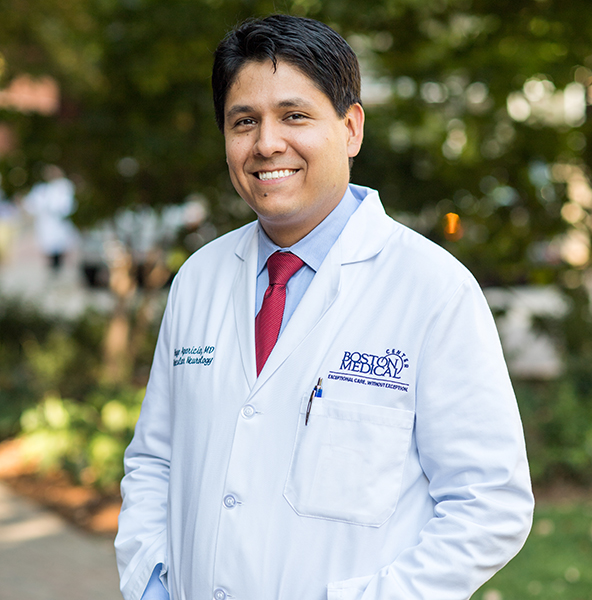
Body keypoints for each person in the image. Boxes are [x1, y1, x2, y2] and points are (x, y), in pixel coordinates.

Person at [115, 15, 534, 600]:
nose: (266, 143)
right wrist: (152, 583)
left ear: (351, 129)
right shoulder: (198, 280)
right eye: (244, 122)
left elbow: (490, 504)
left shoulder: (432, 289)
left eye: (295, 116)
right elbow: (155, 463)